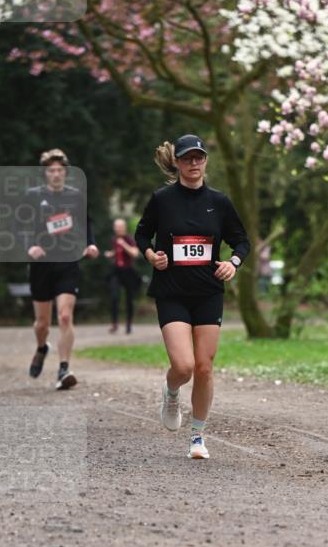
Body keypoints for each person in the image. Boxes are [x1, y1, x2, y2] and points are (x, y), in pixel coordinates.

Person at [134, 134, 250, 460]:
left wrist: (233, 263)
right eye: (188, 158)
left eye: (199, 157)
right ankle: (171, 393)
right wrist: (150, 255)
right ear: (179, 163)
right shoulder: (162, 199)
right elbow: (142, 232)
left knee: (204, 367)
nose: (194, 163)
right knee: (183, 366)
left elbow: (241, 241)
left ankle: (197, 436)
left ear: (205, 161)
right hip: (171, 292)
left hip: (208, 292)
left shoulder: (220, 201)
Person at [20, 149, 99, 389]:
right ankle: (42, 347)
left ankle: (64, 369)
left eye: (59, 170)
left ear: (65, 172)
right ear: (45, 173)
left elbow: (86, 223)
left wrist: (91, 243)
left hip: (67, 260)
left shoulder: (75, 196)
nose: (55, 174)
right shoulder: (33, 196)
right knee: (41, 323)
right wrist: (30, 246)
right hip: (41, 264)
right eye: (51, 170)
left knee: (65, 316)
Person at [104, 218, 141, 334]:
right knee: (114, 297)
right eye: (116, 226)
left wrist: (124, 244)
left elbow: (135, 253)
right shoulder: (113, 239)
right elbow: (116, 252)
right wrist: (110, 254)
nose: (118, 228)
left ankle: (129, 324)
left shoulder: (129, 239)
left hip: (128, 271)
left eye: (120, 226)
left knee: (129, 299)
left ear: (124, 227)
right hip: (116, 271)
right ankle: (114, 324)